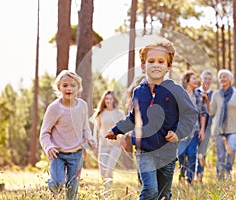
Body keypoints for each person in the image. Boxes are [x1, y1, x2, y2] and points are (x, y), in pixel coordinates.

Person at [105, 41, 198, 199]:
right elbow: (133, 118)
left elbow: (190, 114)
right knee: (150, 190)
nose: (156, 65)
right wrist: (116, 130)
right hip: (144, 151)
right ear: (143, 65)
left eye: (161, 62)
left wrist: (178, 133)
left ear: (168, 66)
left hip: (168, 152)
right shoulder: (138, 92)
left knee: (164, 194)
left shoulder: (175, 90)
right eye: (151, 61)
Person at [39, 70, 97, 199]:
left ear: (78, 87)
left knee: (72, 188)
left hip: (76, 153)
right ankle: (52, 184)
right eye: (65, 85)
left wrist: (90, 139)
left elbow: (85, 128)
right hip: (57, 153)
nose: (69, 88)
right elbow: (44, 133)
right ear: (59, 87)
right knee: (58, 183)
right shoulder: (54, 108)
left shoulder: (82, 106)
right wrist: (49, 147)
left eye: (73, 85)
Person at [202, 69, 236, 181]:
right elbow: (211, 112)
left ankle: (228, 170)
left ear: (230, 79)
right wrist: (207, 101)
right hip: (219, 130)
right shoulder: (215, 94)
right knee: (220, 155)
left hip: (234, 129)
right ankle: (220, 178)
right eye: (221, 77)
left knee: (231, 150)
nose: (222, 79)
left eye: (225, 77)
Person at [93, 90, 125, 194]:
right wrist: (95, 146)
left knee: (109, 169)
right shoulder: (100, 113)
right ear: (104, 100)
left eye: (110, 98)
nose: (108, 100)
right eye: (106, 98)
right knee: (102, 171)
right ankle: (105, 188)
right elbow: (96, 131)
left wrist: (122, 139)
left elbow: (124, 129)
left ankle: (107, 193)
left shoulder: (119, 113)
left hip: (115, 146)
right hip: (103, 145)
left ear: (114, 100)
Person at [177, 71, 206, 184]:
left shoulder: (199, 96)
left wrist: (202, 130)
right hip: (181, 132)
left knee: (192, 154)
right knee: (181, 154)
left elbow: (203, 114)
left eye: (196, 79)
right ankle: (182, 175)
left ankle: (189, 180)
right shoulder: (180, 95)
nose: (196, 81)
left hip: (194, 131)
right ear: (187, 80)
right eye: (193, 78)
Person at [195, 70, 214, 182]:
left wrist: (207, 100)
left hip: (206, 128)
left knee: (202, 152)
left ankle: (199, 176)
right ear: (201, 80)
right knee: (192, 152)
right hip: (193, 127)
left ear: (211, 81)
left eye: (209, 79)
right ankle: (189, 176)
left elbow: (212, 112)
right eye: (205, 78)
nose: (207, 81)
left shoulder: (213, 94)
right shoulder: (195, 92)